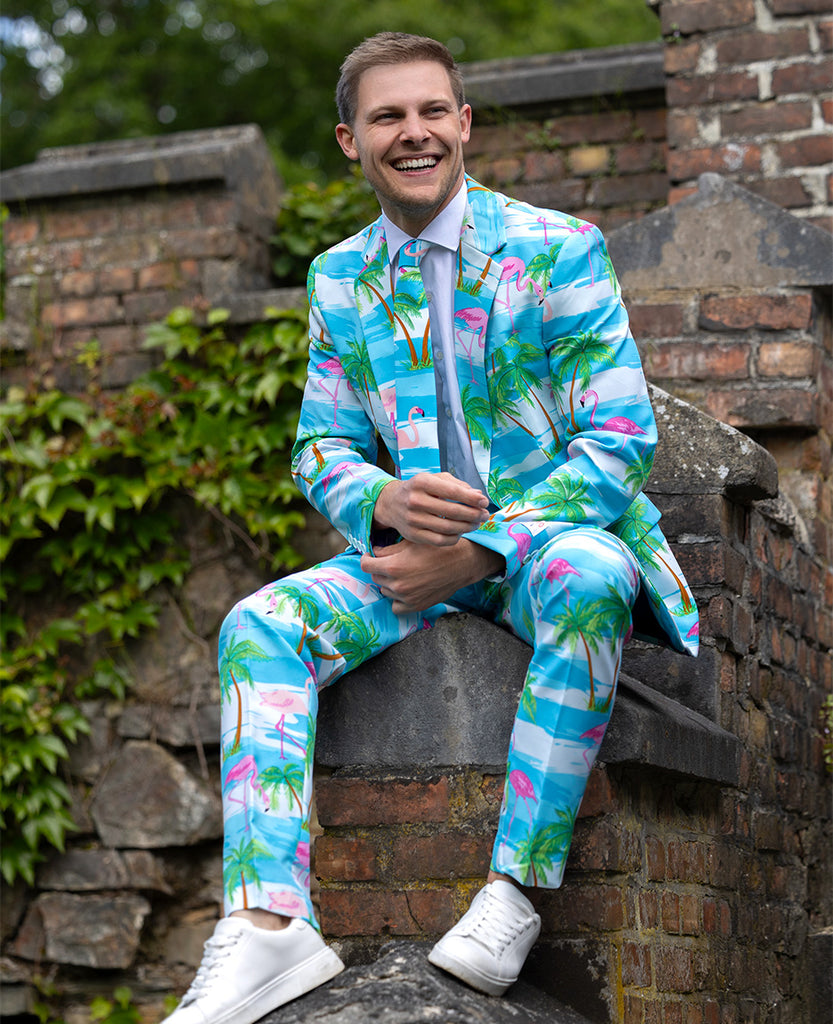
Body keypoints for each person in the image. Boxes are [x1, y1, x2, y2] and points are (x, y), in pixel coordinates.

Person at [163, 31, 698, 1024]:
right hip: (415, 556)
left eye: (428, 111)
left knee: (588, 573)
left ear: (463, 123)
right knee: (257, 629)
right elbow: (319, 446)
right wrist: (385, 502)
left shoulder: (555, 248)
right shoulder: (337, 280)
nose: (411, 133)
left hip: (546, 544)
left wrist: (474, 551)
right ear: (347, 140)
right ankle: (269, 926)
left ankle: (512, 894)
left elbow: (620, 442)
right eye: (384, 117)